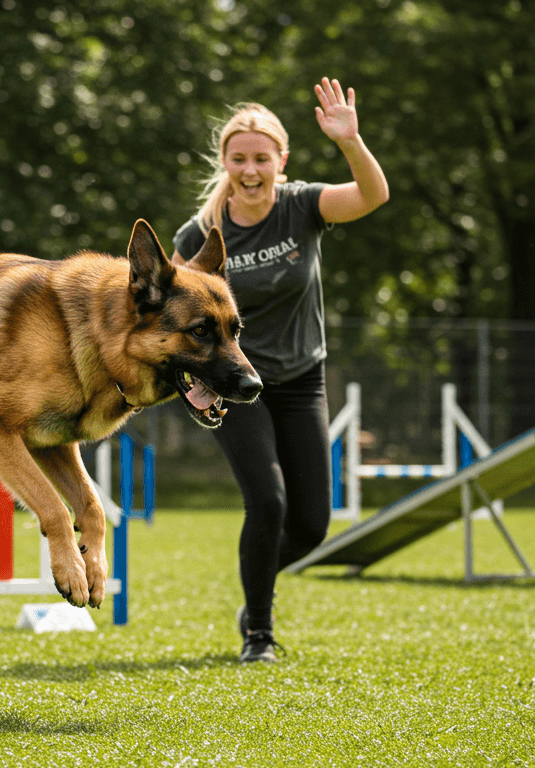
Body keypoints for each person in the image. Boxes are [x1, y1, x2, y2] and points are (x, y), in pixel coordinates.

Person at [171, 78, 389, 663]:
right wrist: (191, 386)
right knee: (266, 501)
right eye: (238, 158)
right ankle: (259, 633)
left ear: (280, 161)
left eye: (261, 158)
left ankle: (254, 592)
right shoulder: (198, 236)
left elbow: (372, 196)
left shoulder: (302, 206)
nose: (250, 169)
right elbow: (173, 323)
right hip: (238, 386)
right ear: (224, 162)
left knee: (312, 525)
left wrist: (351, 141)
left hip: (300, 381)